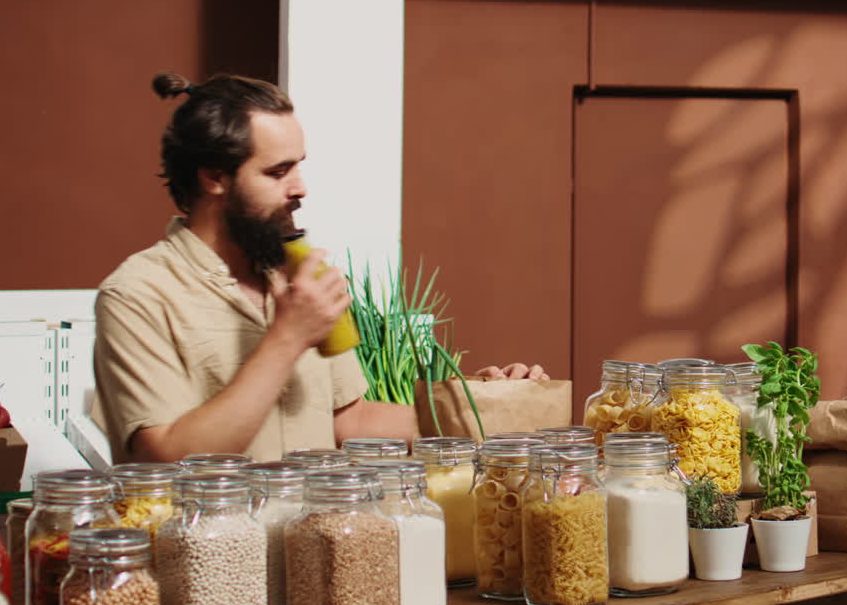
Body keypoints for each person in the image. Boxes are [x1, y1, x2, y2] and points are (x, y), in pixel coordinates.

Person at [92, 72, 546, 464]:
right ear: (214, 177)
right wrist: (288, 337)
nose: (301, 188)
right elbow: (166, 457)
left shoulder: (295, 279)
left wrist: (479, 410)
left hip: (314, 534)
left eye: (299, 166)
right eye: (277, 172)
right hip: (213, 542)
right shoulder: (138, 294)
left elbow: (350, 420)